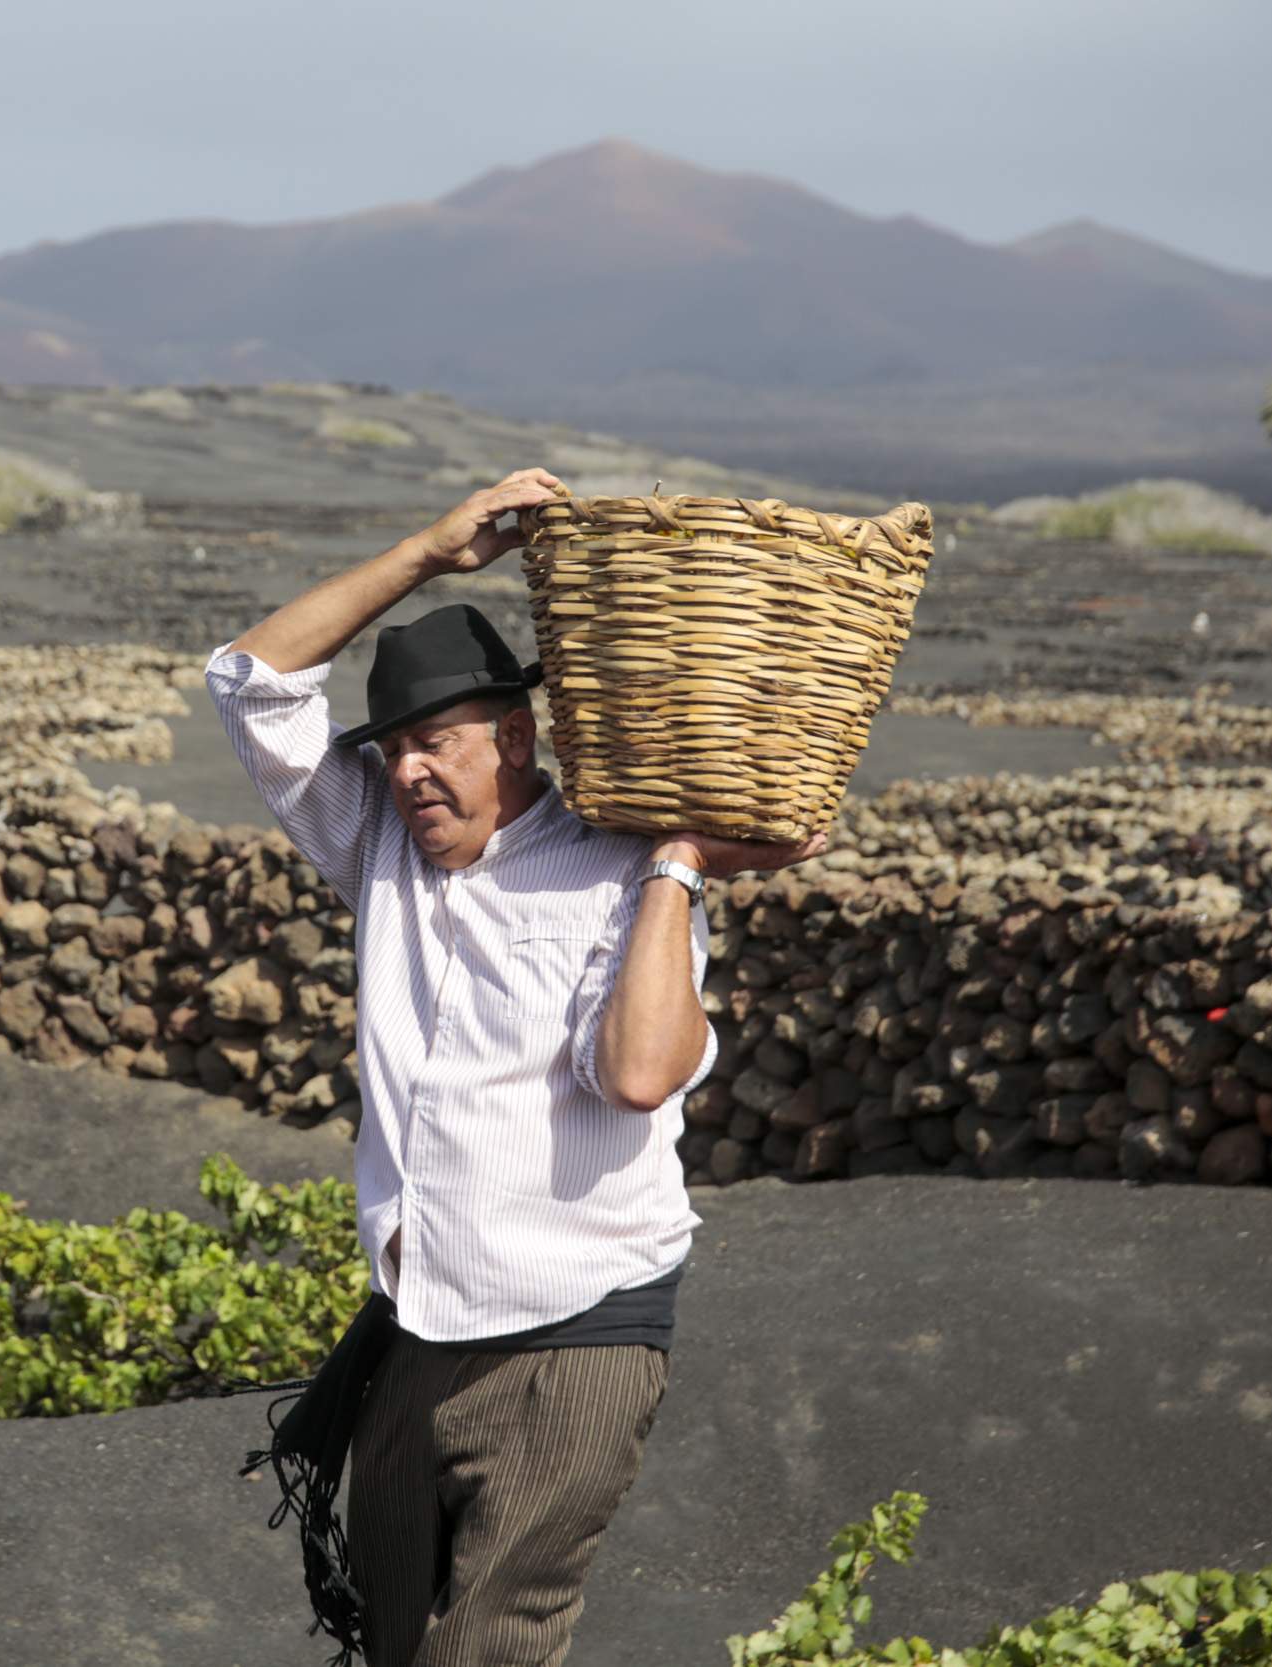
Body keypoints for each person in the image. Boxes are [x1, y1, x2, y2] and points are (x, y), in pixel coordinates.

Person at [207, 468, 827, 1666]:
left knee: (484, 1649)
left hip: (575, 1331)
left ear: (515, 735)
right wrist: (429, 552)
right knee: (396, 1643)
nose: (407, 773)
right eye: (390, 749)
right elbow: (250, 681)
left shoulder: (617, 866)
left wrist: (680, 858)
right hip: (419, 1325)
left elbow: (641, 1074)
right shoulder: (378, 839)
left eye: (434, 742)